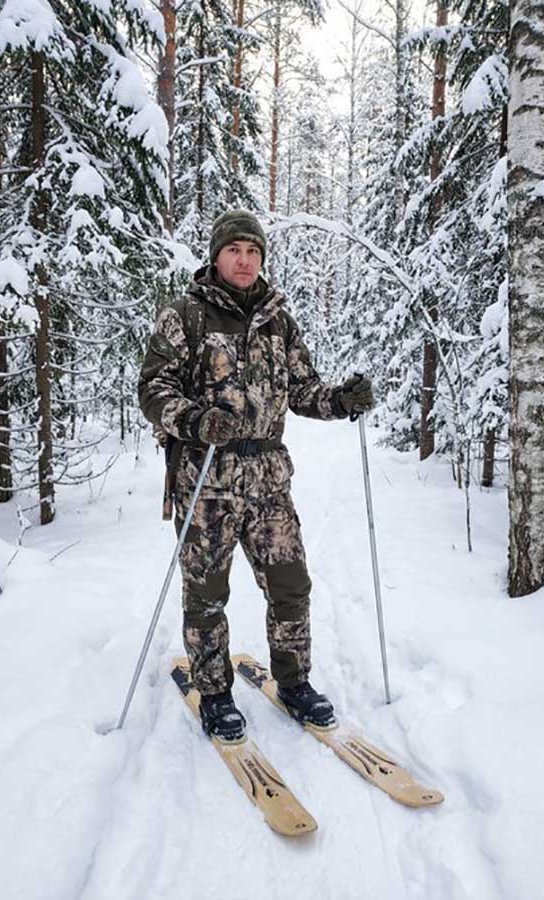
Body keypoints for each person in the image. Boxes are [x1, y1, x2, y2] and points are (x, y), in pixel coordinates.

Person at [138, 209, 373, 742]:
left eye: (253, 252)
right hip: (207, 482)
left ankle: (294, 682)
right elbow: (153, 390)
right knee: (207, 596)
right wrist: (196, 420)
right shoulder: (186, 315)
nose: (244, 260)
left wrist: (340, 399)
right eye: (234, 250)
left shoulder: (278, 321)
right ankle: (215, 692)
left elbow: (304, 389)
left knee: (291, 587)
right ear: (216, 256)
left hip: (269, 482)